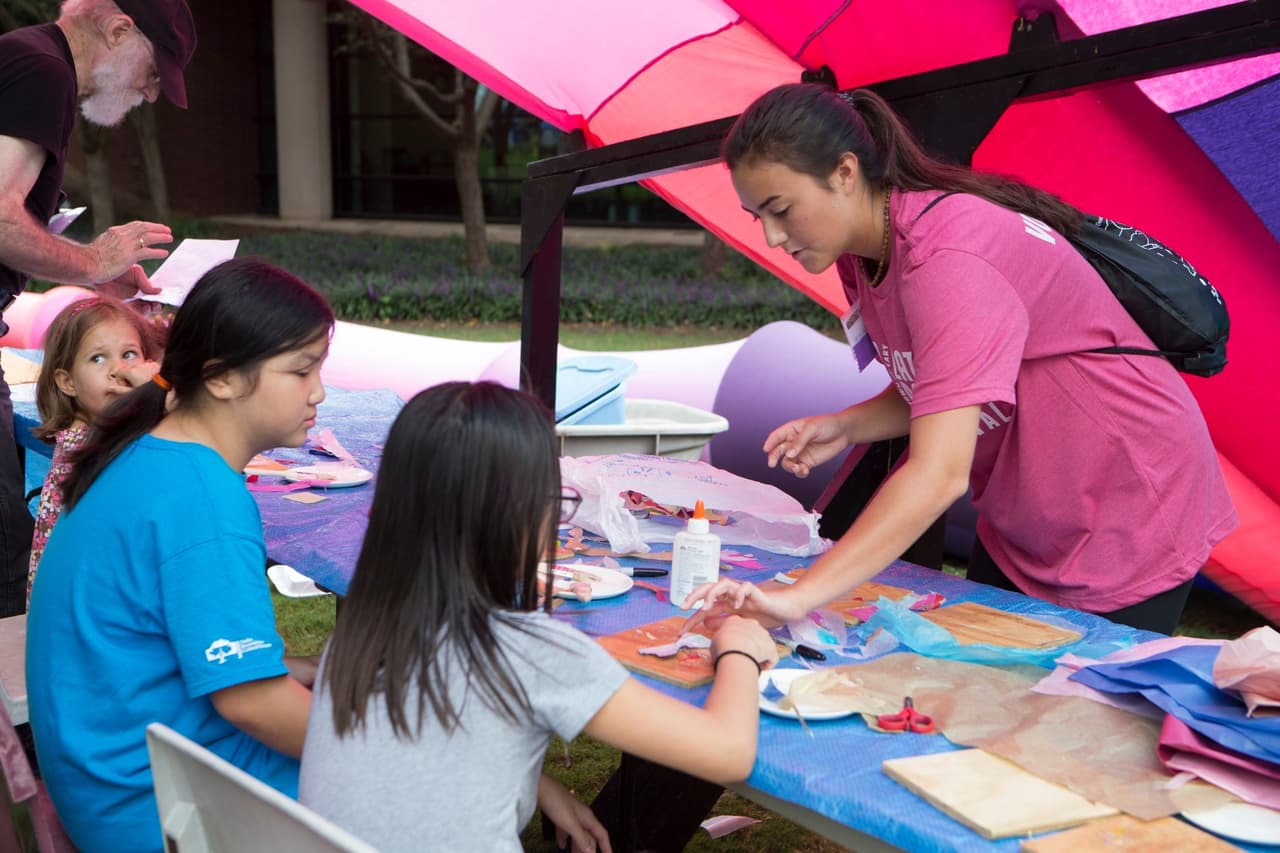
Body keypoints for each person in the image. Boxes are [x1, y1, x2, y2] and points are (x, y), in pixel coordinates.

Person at [686, 83, 1235, 636]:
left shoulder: (948, 256)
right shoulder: (861, 256)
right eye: (759, 217)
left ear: (844, 173)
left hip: (1128, 502)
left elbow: (938, 473)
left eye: (781, 209)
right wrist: (847, 424)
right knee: (986, 684)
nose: (775, 237)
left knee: (1077, 708)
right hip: (1027, 513)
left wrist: (800, 595)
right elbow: (943, 385)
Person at [298, 381, 779, 852]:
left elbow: (431, 747)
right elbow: (728, 754)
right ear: (519, 516)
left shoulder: (366, 627)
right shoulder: (533, 650)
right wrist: (739, 645)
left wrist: (538, 783)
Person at [26, 258, 330, 852]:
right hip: (156, 806)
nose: (319, 390)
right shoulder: (204, 498)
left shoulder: (148, 452)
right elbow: (250, 702)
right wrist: (400, 751)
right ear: (220, 379)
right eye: (301, 370)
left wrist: (293, 671)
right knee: (427, 796)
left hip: (107, 776)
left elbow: (154, 648)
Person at [0, 0, 196, 617]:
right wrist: (92, 262)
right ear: (118, 30)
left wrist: (95, 275)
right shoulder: (44, 72)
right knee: (5, 556)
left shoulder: (26, 56)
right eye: (155, 70)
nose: (153, 92)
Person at [29, 295, 162, 589]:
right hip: (81, 615)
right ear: (68, 383)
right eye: (98, 358)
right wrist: (161, 392)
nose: (118, 370)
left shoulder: (110, 434)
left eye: (128, 354)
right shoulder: (85, 448)